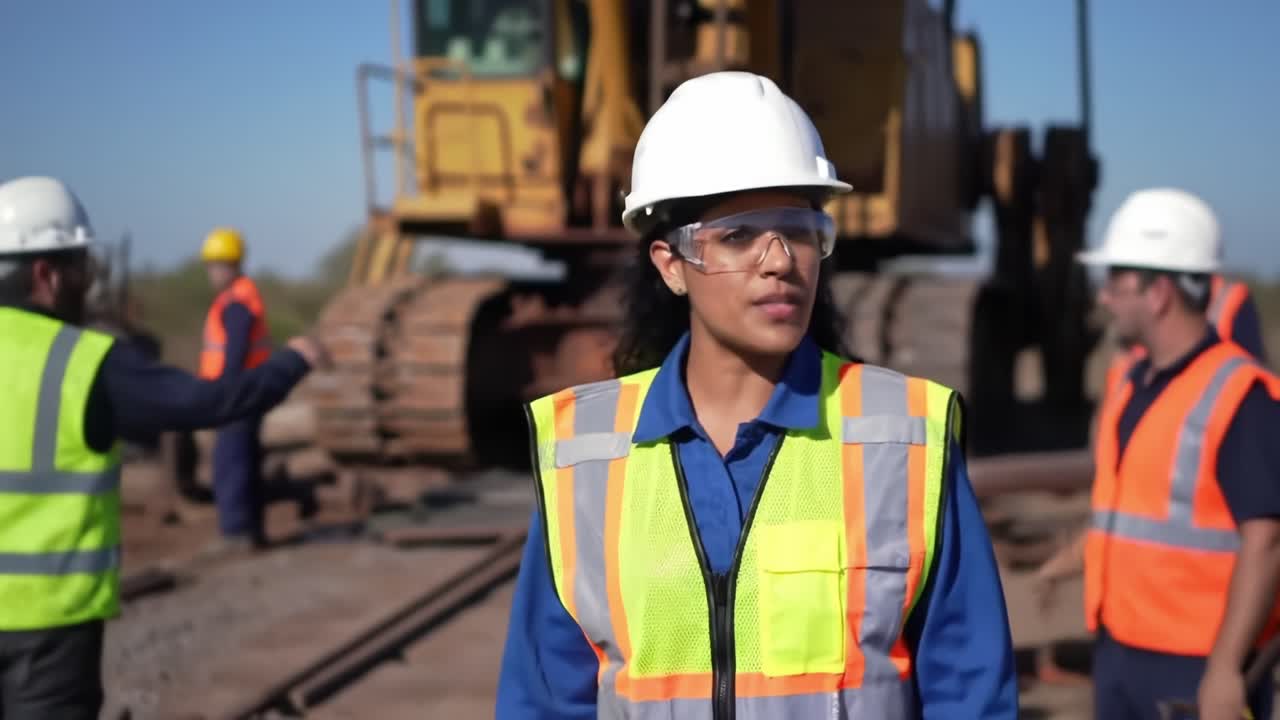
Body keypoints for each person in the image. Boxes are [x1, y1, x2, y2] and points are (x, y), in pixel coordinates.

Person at [496, 71, 1018, 719]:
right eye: (740, 235)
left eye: (798, 231)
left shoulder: (905, 435)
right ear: (669, 264)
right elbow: (545, 698)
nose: (779, 260)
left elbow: (970, 689)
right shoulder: (583, 454)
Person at [0, 175, 328, 719]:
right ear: (46, 275)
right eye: (83, 268)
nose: (88, 282)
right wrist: (292, 360)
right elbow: (212, 402)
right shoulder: (85, 362)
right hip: (46, 632)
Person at [1035, 187, 1280, 720]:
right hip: (1121, 648)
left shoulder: (1240, 396)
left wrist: (1224, 670)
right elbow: (1131, 513)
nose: (1104, 297)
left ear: (1159, 291)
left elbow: (1267, 540)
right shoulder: (1133, 385)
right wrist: (1066, 563)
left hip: (1196, 664)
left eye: (1116, 280)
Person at [198, 227, 275, 553]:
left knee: (231, 462)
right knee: (246, 459)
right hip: (250, 390)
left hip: (237, 394)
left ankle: (235, 534)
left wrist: (224, 392)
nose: (212, 273)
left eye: (217, 266)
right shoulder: (243, 295)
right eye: (210, 266)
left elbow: (236, 351)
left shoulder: (236, 303)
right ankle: (253, 530)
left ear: (231, 266)